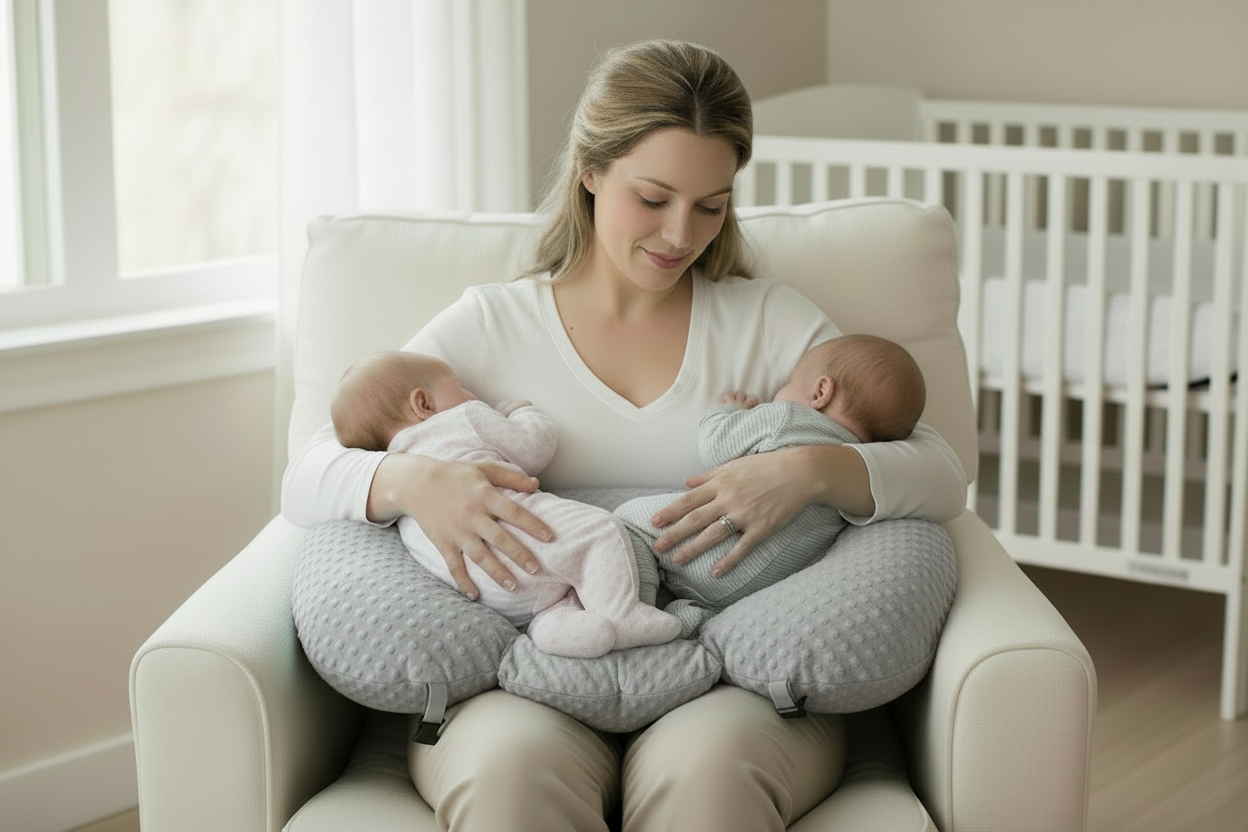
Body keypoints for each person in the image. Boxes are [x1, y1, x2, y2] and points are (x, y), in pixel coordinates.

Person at [283, 38, 966, 832]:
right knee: (512, 777)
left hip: (728, 676)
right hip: (524, 671)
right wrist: (412, 483)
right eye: (654, 197)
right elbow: (306, 477)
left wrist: (811, 472)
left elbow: (941, 472)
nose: (681, 234)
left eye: (711, 205)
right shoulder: (492, 324)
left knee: (711, 781)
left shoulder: (768, 320)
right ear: (591, 171)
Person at [329, 350, 682, 658]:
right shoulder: (464, 417)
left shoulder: (395, 488)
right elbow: (533, 448)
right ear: (423, 404)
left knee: (554, 597)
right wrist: (521, 413)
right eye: (460, 386)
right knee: (599, 531)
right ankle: (623, 615)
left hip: (489, 590)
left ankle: (558, 629)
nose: (471, 393)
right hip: (522, 535)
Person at [616, 334, 927, 633]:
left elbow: (715, 446)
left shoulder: (787, 417)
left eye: (788, 384)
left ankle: (629, 612)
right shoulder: (858, 470)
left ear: (820, 392)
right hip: (752, 589)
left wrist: (731, 412)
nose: (780, 392)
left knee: (627, 522)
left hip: (700, 555)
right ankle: (683, 619)